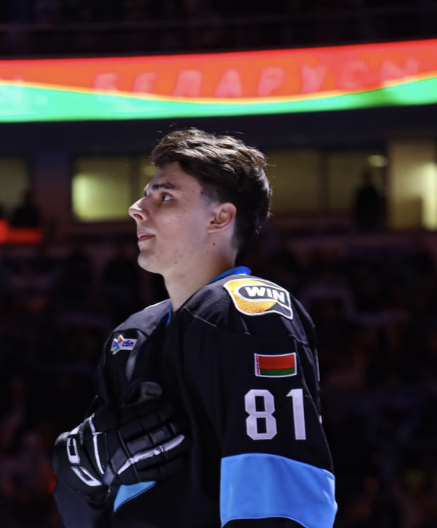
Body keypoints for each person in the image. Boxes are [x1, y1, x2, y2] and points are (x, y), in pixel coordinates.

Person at [51, 128, 336, 528]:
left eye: (164, 196)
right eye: (145, 195)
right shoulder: (130, 335)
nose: (136, 208)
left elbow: (281, 503)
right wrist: (82, 474)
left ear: (219, 217)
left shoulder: (250, 310)